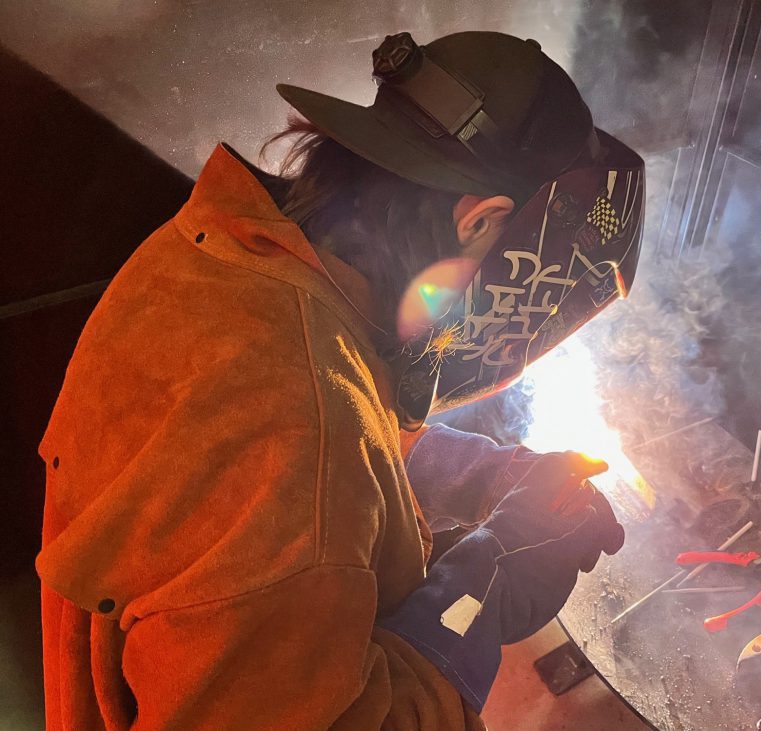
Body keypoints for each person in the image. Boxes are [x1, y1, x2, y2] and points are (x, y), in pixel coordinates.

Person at [36, 30, 644, 729]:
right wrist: (485, 582)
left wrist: (489, 476)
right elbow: (300, 454)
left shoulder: (226, 256)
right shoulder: (291, 421)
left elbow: (318, 448)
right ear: (480, 223)